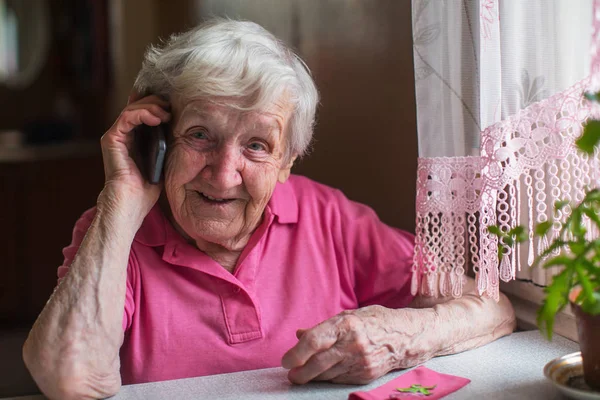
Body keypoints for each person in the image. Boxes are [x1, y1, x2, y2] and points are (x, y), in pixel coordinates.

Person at [22, 19, 516, 400]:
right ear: (159, 136)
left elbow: (491, 307)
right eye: (200, 135)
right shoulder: (117, 232)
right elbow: (69, 379)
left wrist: (399, 335)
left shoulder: (329, 220)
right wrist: (120, 197)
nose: (223, 173)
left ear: (286, 161)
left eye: (257, 146)